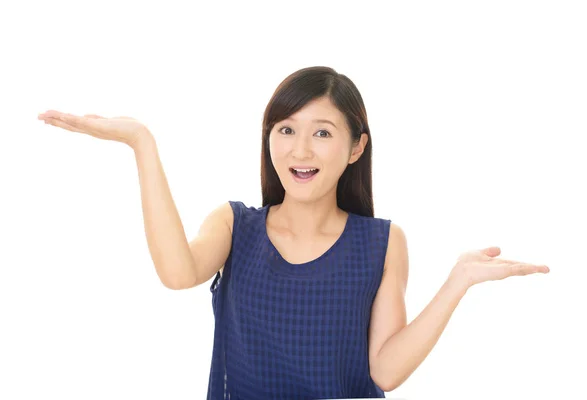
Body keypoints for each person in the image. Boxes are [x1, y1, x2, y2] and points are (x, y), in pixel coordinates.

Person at [38, 66, 550, 399]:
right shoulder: (235, 225)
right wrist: (142, 144)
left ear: (355, 148)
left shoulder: (382, 242)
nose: (299, 151)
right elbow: (177, 273)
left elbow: (385, 372)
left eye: (322, 133)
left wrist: (456, 282)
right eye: (286, 130)